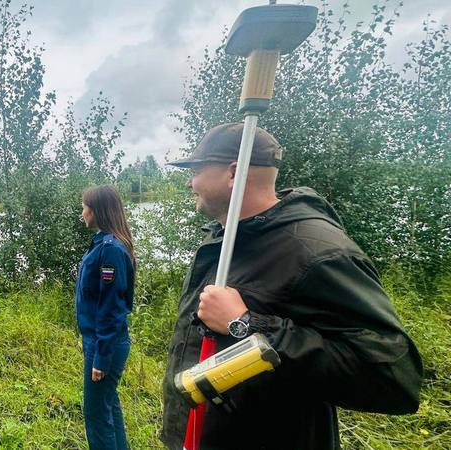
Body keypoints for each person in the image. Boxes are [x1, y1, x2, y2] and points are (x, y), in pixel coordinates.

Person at [160, 123, 423, 450]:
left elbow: (392, 378)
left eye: (197, 170)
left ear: (233, 173)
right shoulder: (221, 240)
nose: (189, 182)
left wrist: (246, 324)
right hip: (200, 437)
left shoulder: (315, 252)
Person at [76, 185, 136, 450]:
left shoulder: (110, 249)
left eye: (84, 207)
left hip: (106, 343)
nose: (82, 212)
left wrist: (100, 356)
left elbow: (111, 308)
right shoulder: (103, 242)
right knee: (107, 404)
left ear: (96, 211)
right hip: (99, 340)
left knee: (97, 414)